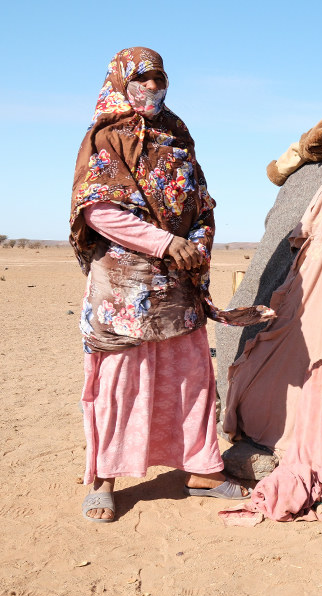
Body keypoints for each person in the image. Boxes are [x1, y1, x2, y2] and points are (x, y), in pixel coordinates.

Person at [72, 47, 261, 522]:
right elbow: (97, 210)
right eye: (143, 78)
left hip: (178, 284)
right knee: (119, 382)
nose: (153, 88)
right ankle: (103, 478)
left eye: (160, 79)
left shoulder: (177, 134)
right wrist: (162, 243)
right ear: (120, 81)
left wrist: (195, 241)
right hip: (125, 287)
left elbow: (200, 201)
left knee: (192, 378)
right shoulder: (106, 138)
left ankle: (201, 469)